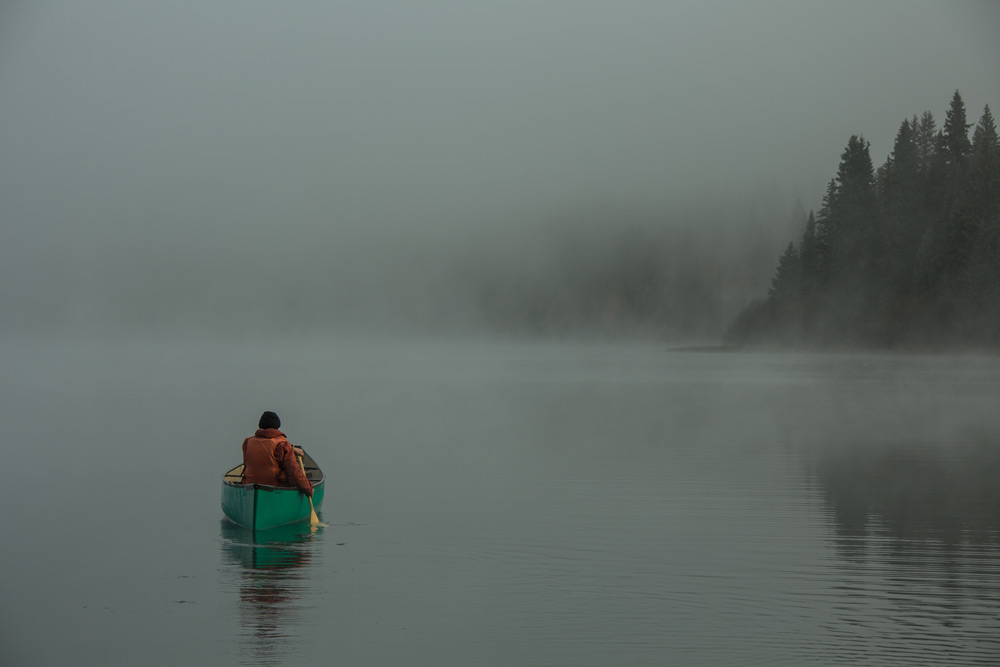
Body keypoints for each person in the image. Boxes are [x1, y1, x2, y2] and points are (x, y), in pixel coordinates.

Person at [241, 411, 313, 497]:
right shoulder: (282, 445)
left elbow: (265, 448)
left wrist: (291, 449)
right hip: (275, 489)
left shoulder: (248, 442)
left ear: (260, 426)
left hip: (251, 487)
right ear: (277, 428)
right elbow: (294, 473)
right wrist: (308, 488)